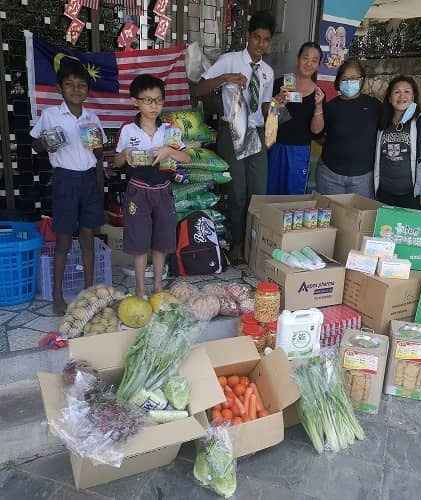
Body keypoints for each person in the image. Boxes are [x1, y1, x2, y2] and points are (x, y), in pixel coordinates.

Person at [196, 10, 276, 263]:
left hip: (257, 132)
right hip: (233, 131)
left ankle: (255, 246)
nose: (260, 44)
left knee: (259, 193)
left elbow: (264, 107)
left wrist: (276, 106)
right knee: (237, 193)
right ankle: (236, 244)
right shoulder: (230, 60)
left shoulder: (268, 72)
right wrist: (225, 78)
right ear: (248, 37)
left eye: (265, 40)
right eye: (256, 38)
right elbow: (198, 89)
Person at [31, 60, 106, 315]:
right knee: (63, 239)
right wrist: (45, 144)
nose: (76, 89)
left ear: (87, 90)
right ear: (59, 88)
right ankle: (57, 295)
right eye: (69, 85)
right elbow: (35, 144)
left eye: (81, 85)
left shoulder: (91, 117)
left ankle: (88, 293)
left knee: (88, 237)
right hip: (64, 180)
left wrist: (97, 147)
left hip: (88, 181)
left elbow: (99, 153)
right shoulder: (51, 115)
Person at [114, 75, 190, 298]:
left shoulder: (170, 130)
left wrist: (168, 151)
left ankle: (157, 287)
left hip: (163, 191)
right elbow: (115, 162)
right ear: (135, 102)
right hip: (137, 191)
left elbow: (185, 158)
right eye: (147, 100)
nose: (153, 106)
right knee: (139, 243)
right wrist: (125, 155)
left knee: (162, 241)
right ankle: (139, 291)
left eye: (158, 100)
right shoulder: (128, 130)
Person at [312, 59, 381, 198]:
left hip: (363, 179)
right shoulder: (330, 106)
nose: (350, 82)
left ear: (362, 80)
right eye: (345, 78)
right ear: (339, 81)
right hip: (329, 175)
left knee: (360, 218)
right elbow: (317, 134)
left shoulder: (374, 105)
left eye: (354, 78)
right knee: (330, 218)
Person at [374, 76, 421, 209]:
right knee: (384, 229)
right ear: (389, 98)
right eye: (396, 92)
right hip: (384, 193)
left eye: (407, 91)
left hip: (412, 195)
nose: (402, 96)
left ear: (413, 96)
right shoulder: (383, 121)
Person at [267, 42, 325, 195]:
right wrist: (276, 103)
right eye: (305, 58)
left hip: (299, 152)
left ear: (318, 65)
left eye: (314, 60)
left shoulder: (318, 93)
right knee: (270, 193)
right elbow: (267, 117)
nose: (309, 63)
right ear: (298, 59)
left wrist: (318, 106)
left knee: (294, 197)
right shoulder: (283, 83)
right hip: (275, 147)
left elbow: (316, 131)